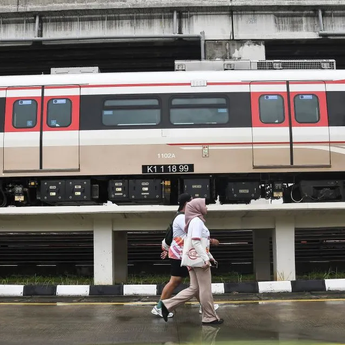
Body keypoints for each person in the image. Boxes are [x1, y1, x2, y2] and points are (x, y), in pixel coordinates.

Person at [151, 193, 219, 318]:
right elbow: (194, 236)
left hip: (185, 254)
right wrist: (210, 242)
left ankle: (205, 307)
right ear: (187, 204)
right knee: (177, 281)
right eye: (191, 202)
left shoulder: (186, 217)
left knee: (195, 285)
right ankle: (160, 306)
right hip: (180, 254)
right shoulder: (182, 218)